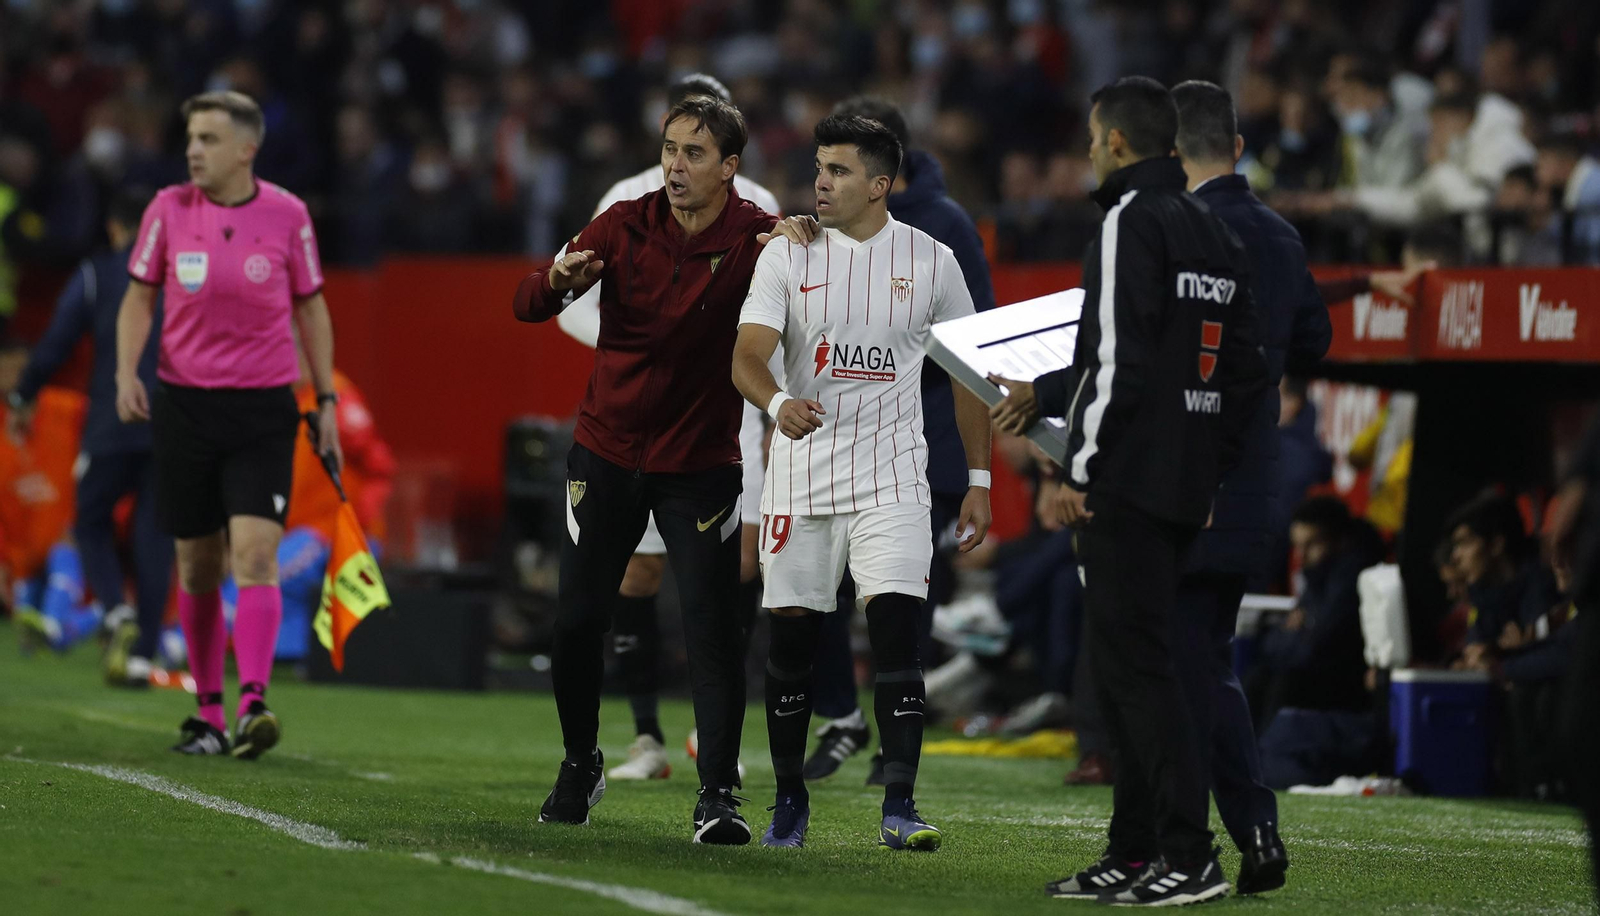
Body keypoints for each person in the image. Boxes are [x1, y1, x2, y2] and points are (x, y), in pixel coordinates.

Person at [991, 76, 1267, 906]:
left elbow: (1119, 364)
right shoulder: (1213, 232)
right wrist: (1210, 468)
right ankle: (1133, 850)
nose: (1084, 151)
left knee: (1136, 674)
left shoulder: (1126, 224)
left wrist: (1081, 471)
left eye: (1089, 137)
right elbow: (1245, 372)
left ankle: (1187, 854)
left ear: (1114, 142)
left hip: (1128, 484)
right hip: (1185, 483)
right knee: (1137, 672)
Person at [512, 96, 778, 844]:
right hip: (605, 452)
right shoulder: (623, 223)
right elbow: (526, 301)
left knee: (712, 630)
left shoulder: (763, 240)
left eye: (694, 153)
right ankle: (580, 761)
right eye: (669, 149)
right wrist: (560, 280)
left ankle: (718, 795)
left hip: (698, 464)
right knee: (574, 623)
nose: (675, 166)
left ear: (731, 169)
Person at [732, 113, 992, 850]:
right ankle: (789, 802)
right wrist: (780, 403)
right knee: (792, 645)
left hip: (894, 479)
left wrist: (978, 476)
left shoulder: (933, 260)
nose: (821, 180)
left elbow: (969, 370)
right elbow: (747, 355)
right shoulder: (787, 255)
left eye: (839, 170)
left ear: (881, 184)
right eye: (819, 166)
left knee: (898, 637)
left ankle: (900, 805)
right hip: (802, 479)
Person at [115, 90, 342, 759]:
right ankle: (207, 712)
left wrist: (324, 400)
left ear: (247, 149)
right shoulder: (166, 210)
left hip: (262, 407)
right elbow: (137, 296)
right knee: (197, 562)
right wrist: (126, 372)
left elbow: (313, 309)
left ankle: (254, 704)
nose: (193, 150)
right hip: (184, 405)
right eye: (190, 137)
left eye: (209, 139)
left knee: (254, 554)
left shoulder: (287, 215)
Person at [800, 95, 998, 785]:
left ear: (886, 169)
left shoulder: (943, 232)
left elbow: (974, 343)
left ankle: (893, 743)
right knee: (813, 589)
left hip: (925, 448)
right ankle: (841, 716)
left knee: (901, 603)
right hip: (834, 446)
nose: (829, 181)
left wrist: (977, 472)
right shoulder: (821, 230)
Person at [1168, 79, 1333, 896]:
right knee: (1207, 655)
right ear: (1236, 148)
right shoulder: (1280, 236)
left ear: (1171, 152)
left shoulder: (1171, 231)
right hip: (1253, 482)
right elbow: (1315, 339)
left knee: (1182, 662)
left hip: (1182, 481)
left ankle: (1214, 836)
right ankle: (1240, 833)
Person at [7, 186, 172, 687]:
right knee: (154, 533)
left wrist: (23, 394)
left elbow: (58, 341)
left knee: (90, 521)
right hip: (170, 423)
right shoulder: (179, 277)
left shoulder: (96, 275)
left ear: (114, 228)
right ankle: (142, 651)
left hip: (112, 418)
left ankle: (116, 612)